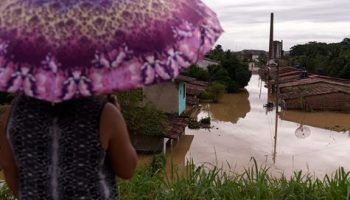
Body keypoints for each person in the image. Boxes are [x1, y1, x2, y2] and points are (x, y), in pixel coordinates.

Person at [0, 94, 138, 199]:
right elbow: (127, 169)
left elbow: (7, 164)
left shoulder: (15, 110)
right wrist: (117, 117)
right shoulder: (103, 113)